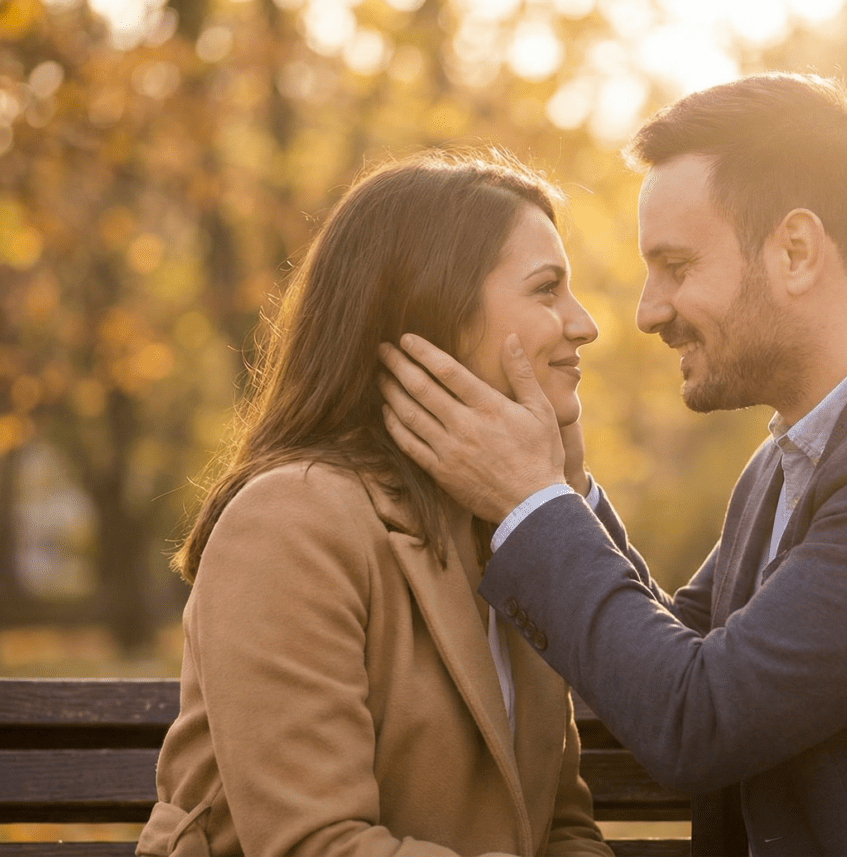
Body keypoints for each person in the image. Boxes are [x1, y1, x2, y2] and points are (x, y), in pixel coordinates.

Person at [379, 74, 847, 856]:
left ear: (796, 251)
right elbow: (673, 657)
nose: (647, 310)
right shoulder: (792, 458)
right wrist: (567, 489)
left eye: (675, 265)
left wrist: (533, 504)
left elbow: (696, 717)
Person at [137, 150, 612, 857]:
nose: (584, 324)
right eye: (547, 290)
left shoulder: (504, 525)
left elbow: (562, 825)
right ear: (436, 306)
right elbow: (314, 843)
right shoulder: (291, 521)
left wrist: (555, 498)